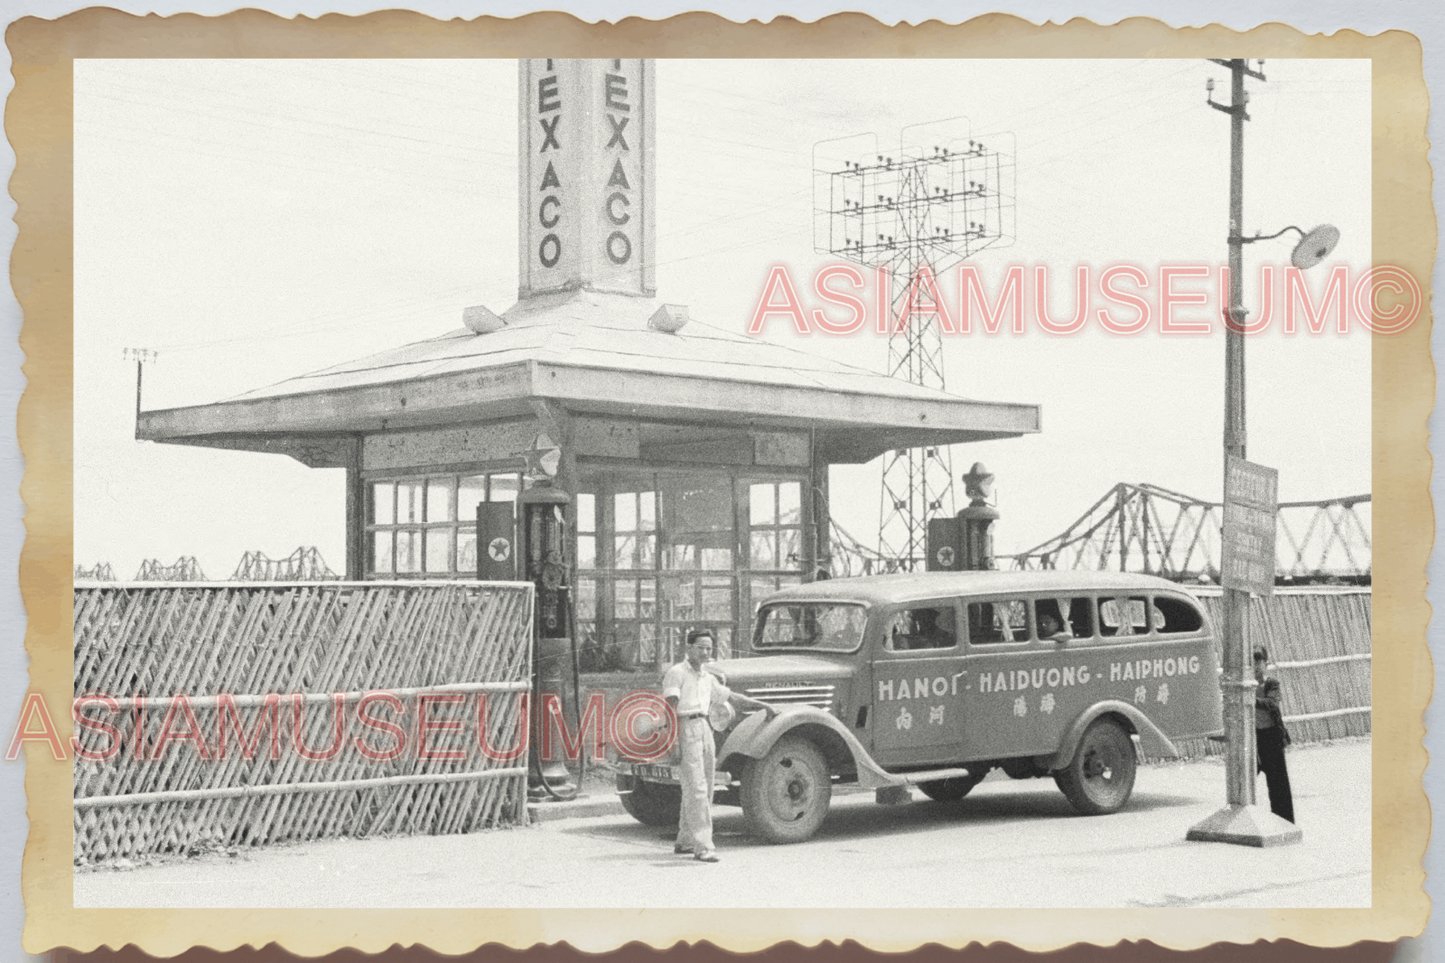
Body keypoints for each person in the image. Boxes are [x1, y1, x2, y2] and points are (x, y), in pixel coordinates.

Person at [661, 629, 778, 862]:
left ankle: (685, 840)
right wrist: (672, 741)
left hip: (705, 728)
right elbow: (669, 708)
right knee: (696, 789)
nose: (705, 652)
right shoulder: (676, 673)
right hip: (685, 728)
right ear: (688, 648)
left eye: (708, 648)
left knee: (705, 786)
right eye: (700, 647)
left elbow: (729, 697)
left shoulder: (707, 677)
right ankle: (703, 846)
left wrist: (761, 704)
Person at [1253, 646, 1295, 823]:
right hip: (1255, 739)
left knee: (1278, 784)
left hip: (1271, 738)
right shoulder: (1247, 686)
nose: (1256, 666)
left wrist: (1252, 701)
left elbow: (1272, 703)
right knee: (1246, 782)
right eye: (1253, 663)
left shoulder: (1271, 684)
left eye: (1259, 662)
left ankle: (1284, 821)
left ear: (1266, 663)